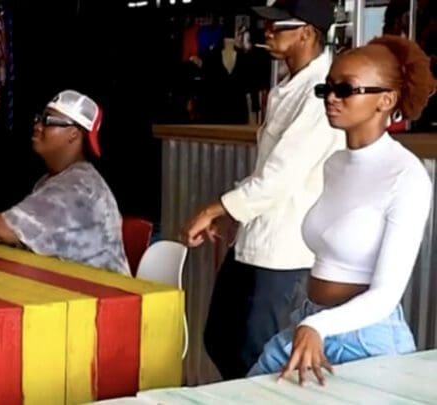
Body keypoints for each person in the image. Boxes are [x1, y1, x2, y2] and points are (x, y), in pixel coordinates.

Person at [249, 35, 436, 386]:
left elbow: (385, 295)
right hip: (309, 322)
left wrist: (316, 326)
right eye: (327, 88)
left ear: (387, 100)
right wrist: (311, 321)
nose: (331, 98)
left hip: (366, 341)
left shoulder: (406, 177)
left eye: (346, 89)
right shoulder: (335, 164)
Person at [180, 0, 345, 380]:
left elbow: (280, 176)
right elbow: (267, 173)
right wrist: (229, 209)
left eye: (278, 27)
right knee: (220, 338)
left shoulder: (321, 92)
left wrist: (215, 209)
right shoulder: (290, 84)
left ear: (307, 32)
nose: (267, 32)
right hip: (258, 236)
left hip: (285, 248)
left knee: (256, 352)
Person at [0, 90, 130, 276]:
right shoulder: (53, 179)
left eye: (49, 121)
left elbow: (5, 230)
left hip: (107, 301)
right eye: (40, 118)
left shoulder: (78, 186)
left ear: (73, 134)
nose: (38, 126)